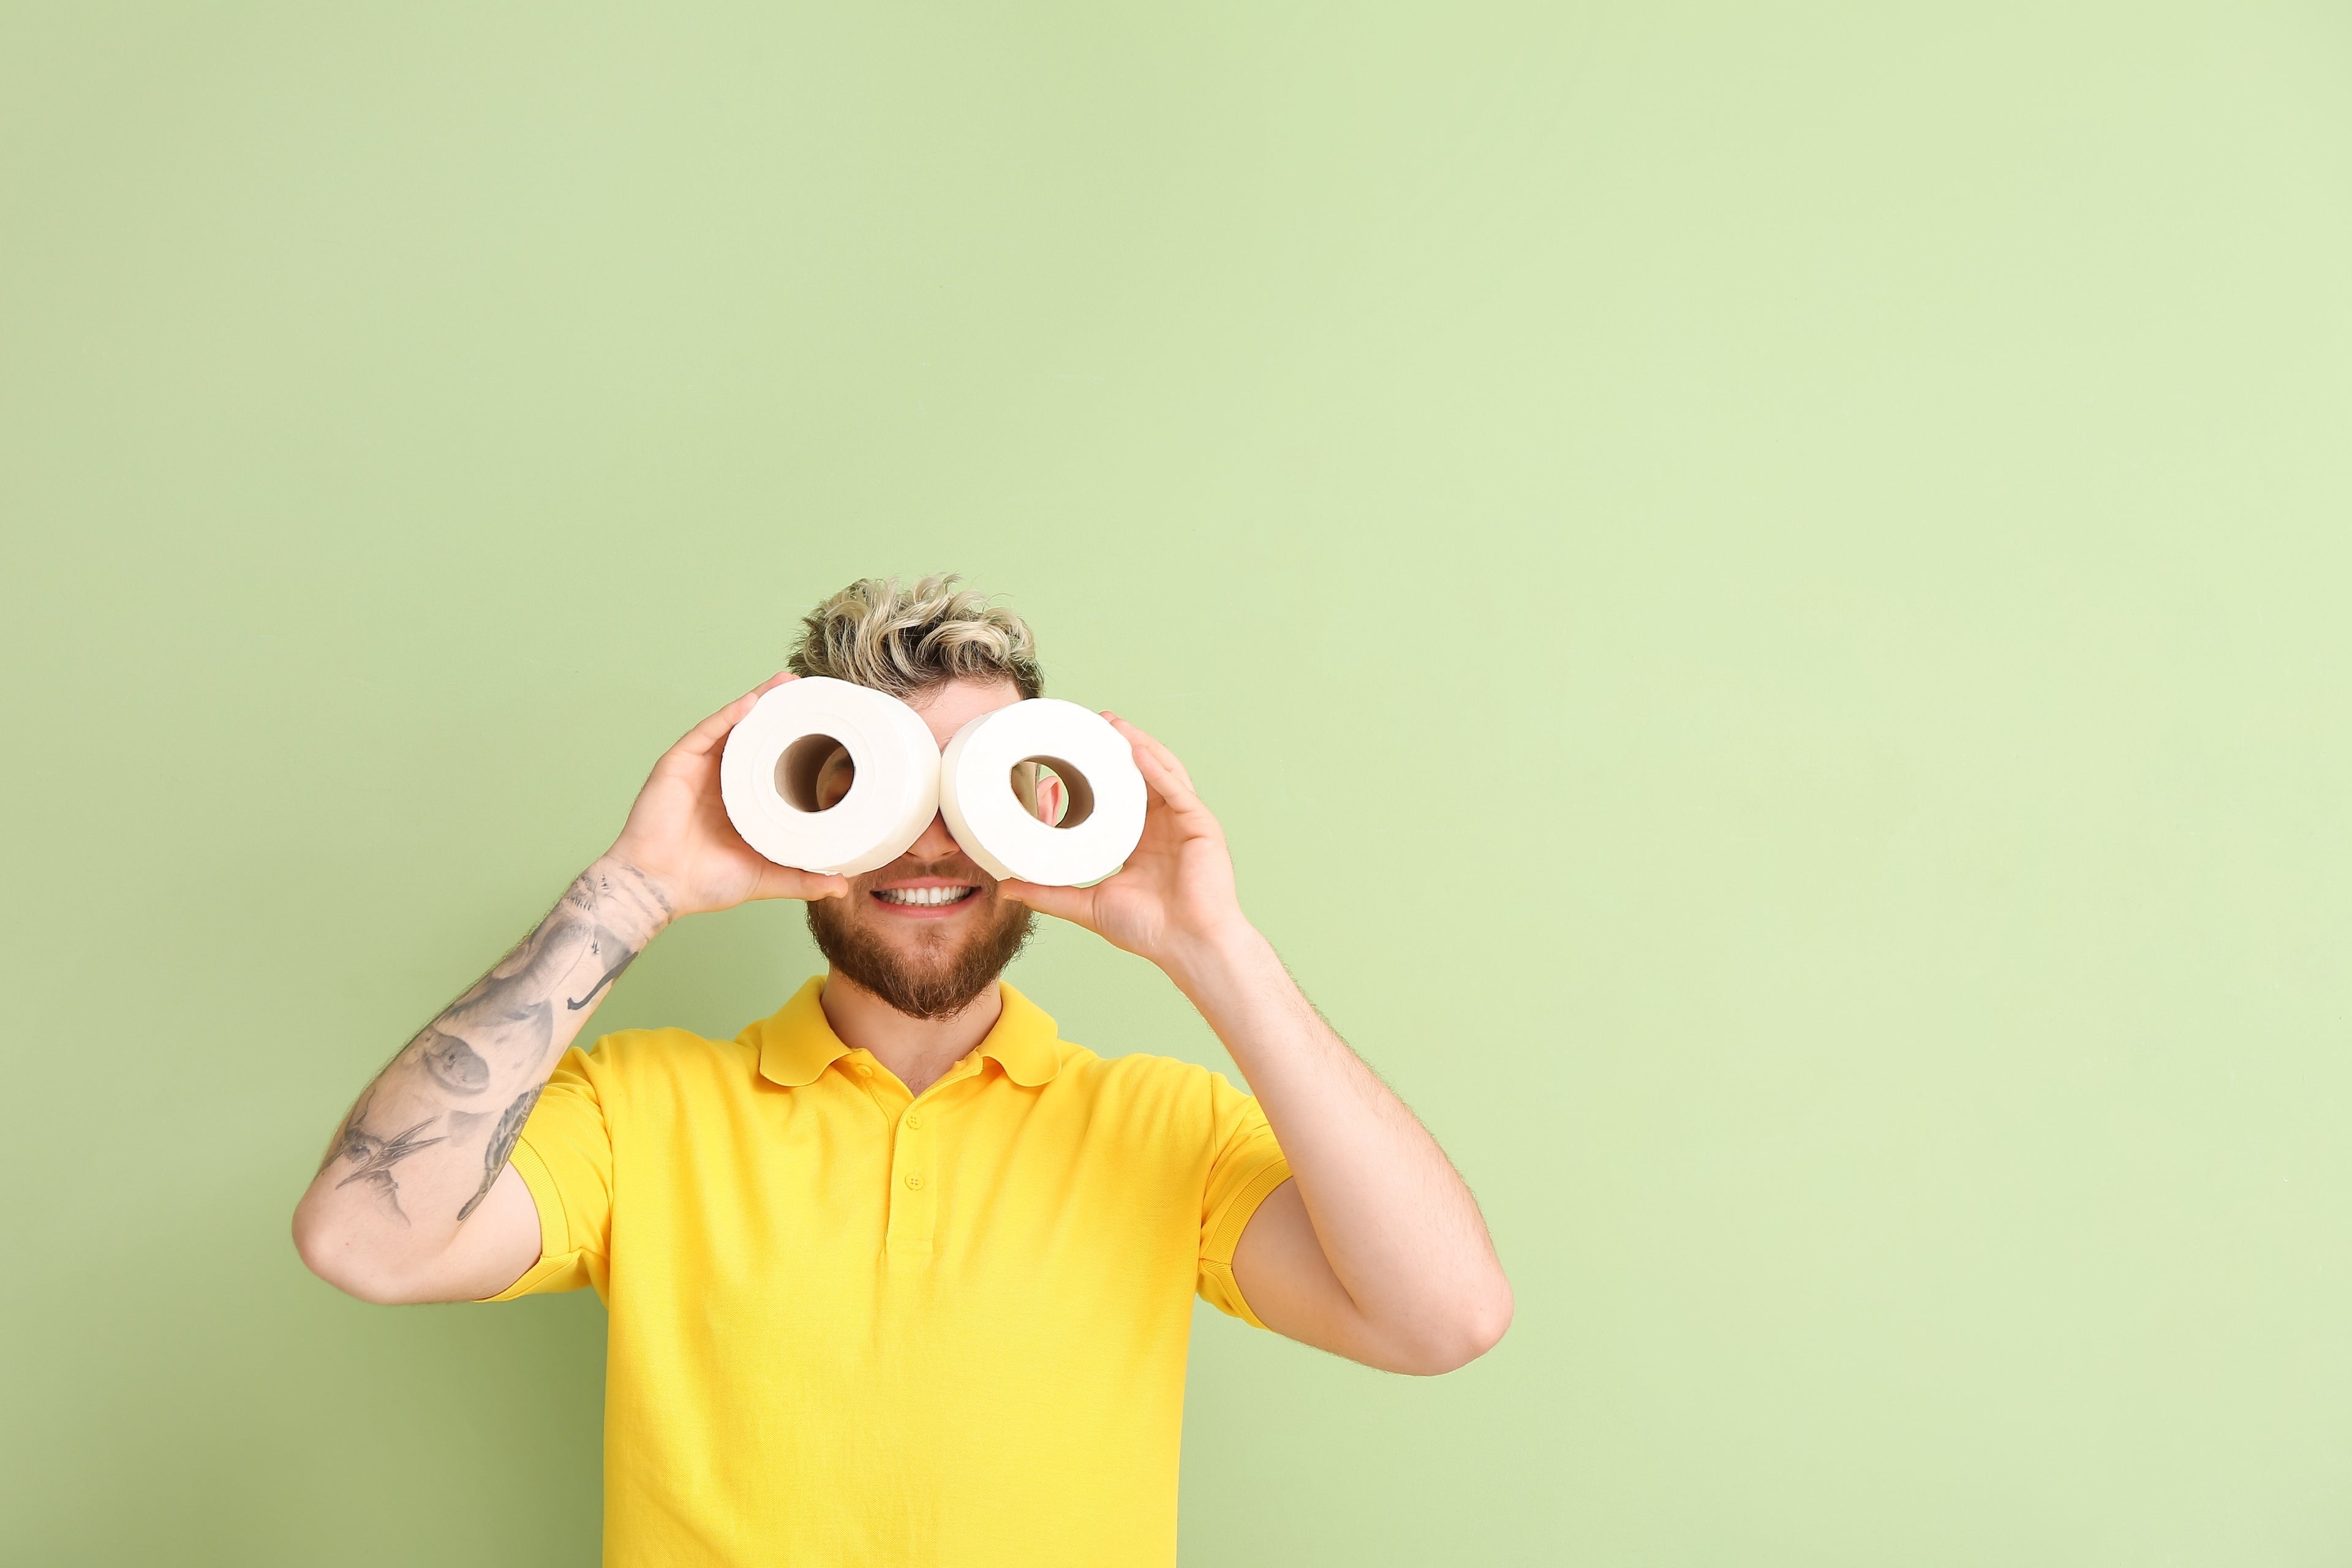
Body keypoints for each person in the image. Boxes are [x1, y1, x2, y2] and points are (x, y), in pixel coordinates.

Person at [292, 574, 1512, 1567]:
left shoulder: (1159, 1127)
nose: (928, 836)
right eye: (871, 783)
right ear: (798, 803)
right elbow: (363, 1241)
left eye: (975, 783)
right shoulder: (640, 1108)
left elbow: (1444, 1316)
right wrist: (636, 887)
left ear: (1045, 802)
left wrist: (1213, 946)